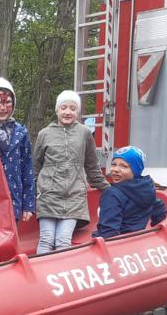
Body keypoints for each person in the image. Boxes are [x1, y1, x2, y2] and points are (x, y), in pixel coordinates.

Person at [33, 90, 110, 253]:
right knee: (46, 239)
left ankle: (61, 269)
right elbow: (35, 167)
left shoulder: (85, 133)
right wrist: (34, 192)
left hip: (74, 196)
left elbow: (92, 166)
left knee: (63, 240)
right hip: (48, 195)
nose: (68, 112)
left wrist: (109, 189)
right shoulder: (44, 134)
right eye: (64, 107)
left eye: (73, 108)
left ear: (78, 112)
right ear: (57, 110)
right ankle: (42, 269)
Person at [0, 77, 34, 223]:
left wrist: (28, 204)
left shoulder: (21, 132)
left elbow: (27, 168)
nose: (3, 108)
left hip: (13, 201)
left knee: (11, 236)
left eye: (8, 102)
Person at [93, 145, 167, 238]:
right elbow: (160, 211)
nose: (115, 169)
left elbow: (108, 233)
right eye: (113, 164)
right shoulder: (147, 189)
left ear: (136, 170)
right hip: (136, 240)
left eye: (124, 166)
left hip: (119, 242)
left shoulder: (112, 194)